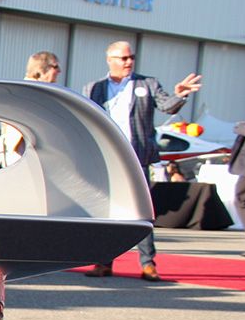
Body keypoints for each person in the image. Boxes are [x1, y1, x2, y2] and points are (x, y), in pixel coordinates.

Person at [82, 41, 202, 281]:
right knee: (105, 212)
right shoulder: (94, 88)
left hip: (137, 158)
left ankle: (148, 263)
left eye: (131, 57)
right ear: (110, 60)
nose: (128, 62)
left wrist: (180, 95)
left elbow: (168, 106)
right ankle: (103, 262)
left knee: (141, 212)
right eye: (123, 58)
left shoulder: (147, 84)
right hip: (106, 158)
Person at [0, 51, 62, 165]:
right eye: (55, 66)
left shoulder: (35, 91)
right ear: (41, 69)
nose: (59, 71)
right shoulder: (25, 93)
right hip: (23, 157)